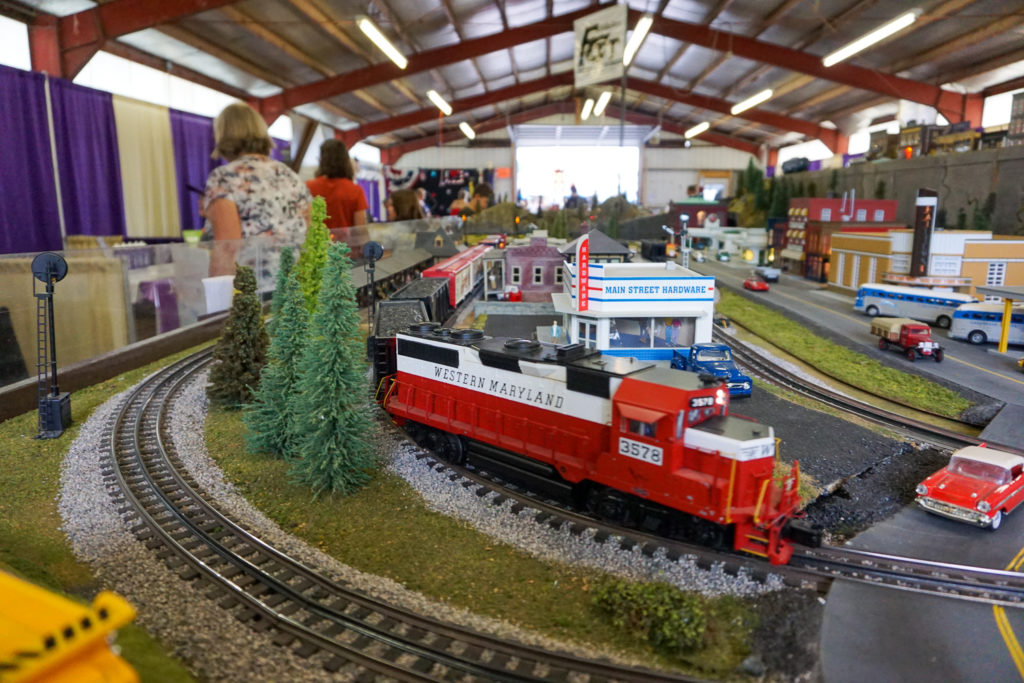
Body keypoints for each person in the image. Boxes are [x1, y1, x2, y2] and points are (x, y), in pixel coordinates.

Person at [202, 102, 311, 276]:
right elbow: (311, 230)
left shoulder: (224, 177)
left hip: (255, 290)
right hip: (298, 285)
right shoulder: (290, 175)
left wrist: (218, 300)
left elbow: (228, 248)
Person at [305, 139, 368, 229]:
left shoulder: (308, 187)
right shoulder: (355, 191)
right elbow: (361, 230)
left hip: (317, 242)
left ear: (322, 160)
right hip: (346, 243)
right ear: (346, 161)